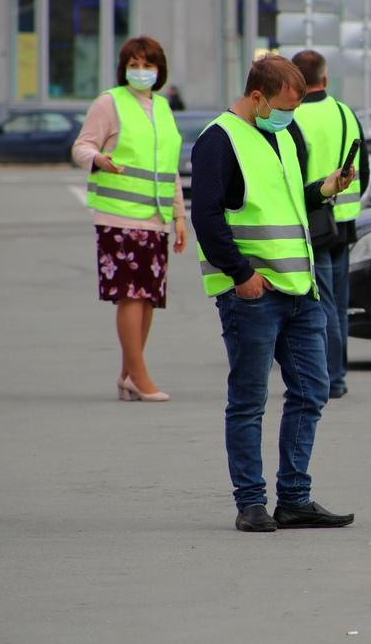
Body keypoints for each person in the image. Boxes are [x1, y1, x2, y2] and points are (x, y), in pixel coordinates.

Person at [191, 54, 355, 533]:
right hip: (253, 295)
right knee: (248, 401)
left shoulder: (281, 134)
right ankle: (251, 503)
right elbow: (207, 217)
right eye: (284, 105)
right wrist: (240, 273)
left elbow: (284, 202)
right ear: (257, 95)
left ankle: (295, 499)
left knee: (311, 391)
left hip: (300, 290)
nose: (290, 115)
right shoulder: (218, 140)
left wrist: (322, 189)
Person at [73, 36, 187, 403]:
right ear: (124, 68)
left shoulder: (164, 108)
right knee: (130, 295)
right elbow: (82, 146)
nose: (141, 71)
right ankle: (138, 375)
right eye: (134, 64)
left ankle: (127, 374)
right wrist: (99, 159)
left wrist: (180, 217)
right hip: (119, 216)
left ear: (160, 70)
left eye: (148, 65)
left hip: (155, 217)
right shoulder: (110, 102)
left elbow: (169, 169)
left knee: (149, 297)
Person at [289, 49, 369, 400]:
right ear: (325, 78)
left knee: (323, 304)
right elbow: (362, 170)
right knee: (339, 303)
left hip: (315, 222)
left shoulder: (293, 119)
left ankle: (331, 378)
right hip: (346, 221)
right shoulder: (344, 112)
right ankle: (339, 373)